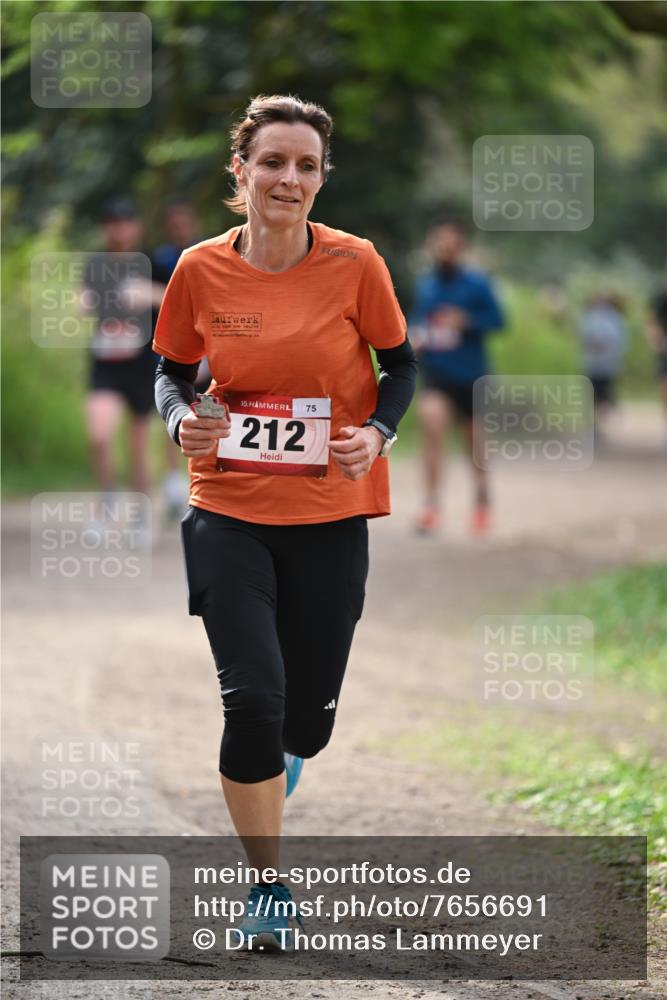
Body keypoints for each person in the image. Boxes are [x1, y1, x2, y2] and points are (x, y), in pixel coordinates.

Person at [153, 94, 417, 950]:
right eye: (272, 161)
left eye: (305, 165)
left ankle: (286, 754)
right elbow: (170, 373)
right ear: (241, 171)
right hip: (226, 506)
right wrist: (177, 418)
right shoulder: (199, 267)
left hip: (331, 514)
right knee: (253, 700)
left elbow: (400, 365)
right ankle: (268, 887)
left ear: (321, 177)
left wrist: (375, 434)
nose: (288, 178)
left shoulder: (355, 263)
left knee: (307, 720)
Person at [409, 220, 504, 536]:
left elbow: (499, 320)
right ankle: (431, 505)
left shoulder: (477, 283)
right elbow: (421, 319)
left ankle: (481, 498)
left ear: (460, 248)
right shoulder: (427, 284)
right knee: (432, 428)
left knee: (474, 446)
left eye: (450, 245)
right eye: (439, 244)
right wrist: (416, 336)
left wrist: (467, 321)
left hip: (472, 376)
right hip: (437, 373)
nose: (444, 250)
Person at [83, 197, 170, 513]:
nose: (119, 229)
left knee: (138, 447)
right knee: (99, 434)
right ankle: (106, 501)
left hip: (140, 363)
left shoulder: (152, 261)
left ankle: (140, 514)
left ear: (137, 225)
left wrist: (148, 293)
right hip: (105, 361)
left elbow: (177, 301)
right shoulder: (95, 263)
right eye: (112, 223)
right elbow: (82, 300)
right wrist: (86, 302)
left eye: (125, 222)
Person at [153, 200, 208, 519]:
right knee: (175, 406)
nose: (180, 228)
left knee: (207, 404)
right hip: (174, 341)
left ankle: (198, 475)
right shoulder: (160, 258)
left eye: (184, 222)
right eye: (174, 224)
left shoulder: (208, 254)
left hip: (209, 343)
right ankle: (175, 479)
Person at [578, 293, 627, 441]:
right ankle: (596, 425)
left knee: (602, 395)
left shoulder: (611, 320)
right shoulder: (593, 319)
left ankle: (599, 423)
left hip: (604, 365)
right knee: (596, 395)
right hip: (595, 364)